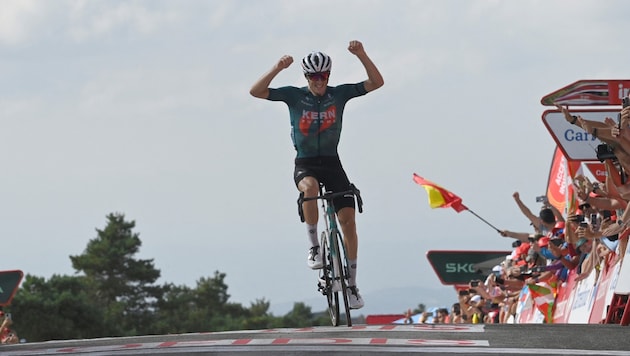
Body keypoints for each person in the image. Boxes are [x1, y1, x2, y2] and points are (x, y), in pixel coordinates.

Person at [249, 40, 384, 309]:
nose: (319, 81)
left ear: (329, 76)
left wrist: (362, 55)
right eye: (313, 76)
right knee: (309, 190)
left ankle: (353, 285)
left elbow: (376, 82)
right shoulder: (294, 96)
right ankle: (314, 247)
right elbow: (256, 91)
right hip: (306, 163)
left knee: (349, 222)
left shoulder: (340, 94)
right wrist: (277, 67)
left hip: (333, 163)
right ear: (306, 76)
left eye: (323, 76)